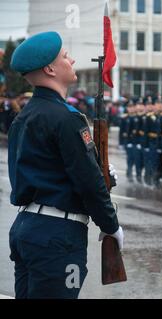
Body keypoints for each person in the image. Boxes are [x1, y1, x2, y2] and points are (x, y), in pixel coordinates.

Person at [8, 31, 123, 298]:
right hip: (58, 237)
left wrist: (101, 171)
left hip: (26, 228)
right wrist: (111, 225)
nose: (71, 60)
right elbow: (88, 182)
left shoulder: (23, 116)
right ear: (50, 69)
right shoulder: (66, 118)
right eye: (64, 56)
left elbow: (37, 172)